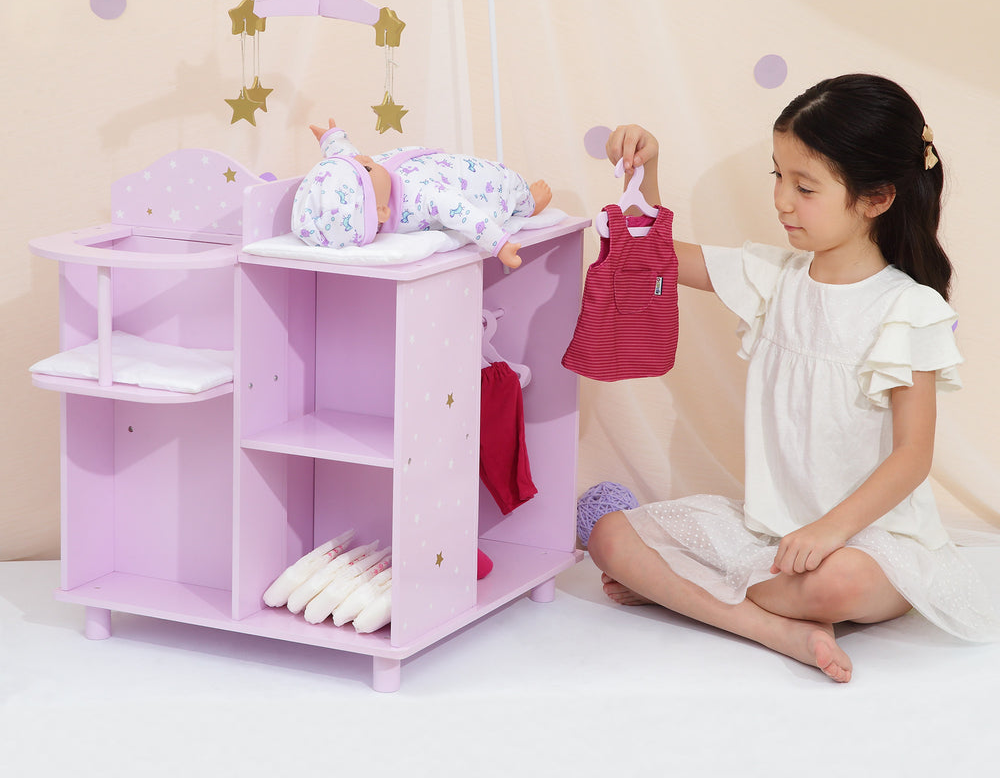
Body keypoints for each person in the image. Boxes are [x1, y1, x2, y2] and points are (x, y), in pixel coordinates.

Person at [587, 73, 999, 683]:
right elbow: (659, 257)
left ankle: (692, 593)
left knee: (838, 581)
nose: (781, 200)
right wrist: (647, 175)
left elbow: (913, 456)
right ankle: (774, 629)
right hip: (770, 536)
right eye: (777, 176)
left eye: (805, 187)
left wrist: (831, 530)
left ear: (876, 198)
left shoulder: (907, 310)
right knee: (610, 537)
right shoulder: (775, 278)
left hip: (870, 543)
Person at [293, 118, 552, 268]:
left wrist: (330, 138)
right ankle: (529, 204)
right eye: (366, 166)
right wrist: (500, 245)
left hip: (447, 167)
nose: (362, 157)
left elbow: (346, 160)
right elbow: (465, 216)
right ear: (381, 211)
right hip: (485, 187)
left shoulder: (365, 185)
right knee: (510, 188)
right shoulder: (421, 199)